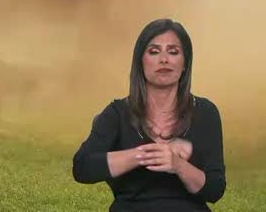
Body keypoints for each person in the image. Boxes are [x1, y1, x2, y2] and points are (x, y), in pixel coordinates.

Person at [72, 18, 226, 211]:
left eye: (173, 52)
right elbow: (83, 168)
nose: (164, 59)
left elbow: (215, 190)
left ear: (185, 63)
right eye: (154, 51)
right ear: (140, 62)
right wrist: (143, 155)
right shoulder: (117, 114)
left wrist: (178, 164)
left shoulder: (205, 112)